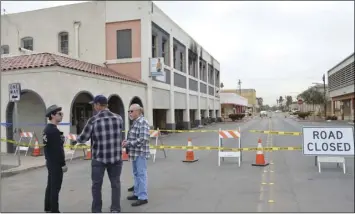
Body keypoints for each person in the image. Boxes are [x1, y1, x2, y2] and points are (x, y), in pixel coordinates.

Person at [75, 95, 124, 213]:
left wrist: (76, 139)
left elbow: (83, 138)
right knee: (115, 184)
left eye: (94, 105)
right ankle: (115, 209)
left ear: (98, 105)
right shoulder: (118, 118)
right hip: (116, 157)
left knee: (97, 186)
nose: (94, 107)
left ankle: (97, 210)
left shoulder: (93, 120)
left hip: (99, 159)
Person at [122, 104, 150, 207]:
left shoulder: (142, 122)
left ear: (138, 111)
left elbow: (143, 139)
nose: (130, 113)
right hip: (134, 153)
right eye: (129, 111)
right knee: (136, 174)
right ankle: (137, 193)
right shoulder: (136, 122)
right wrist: (127, 141)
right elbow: (134, 136)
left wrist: (129, 143)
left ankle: (143, 197)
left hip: (140, 153)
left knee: (141, 174)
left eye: (131, 111)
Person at [43, 105, 68, 213]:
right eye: (59, 114)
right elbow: (58, 150)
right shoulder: (53, 131)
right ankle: (54, 210)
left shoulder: (47, 129)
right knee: (55, 188)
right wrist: (63, 164)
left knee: (50, 186)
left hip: (50, 161)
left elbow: (47, 148)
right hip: (56, 163)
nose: (61, 116)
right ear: (53, 115)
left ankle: (48, 207)